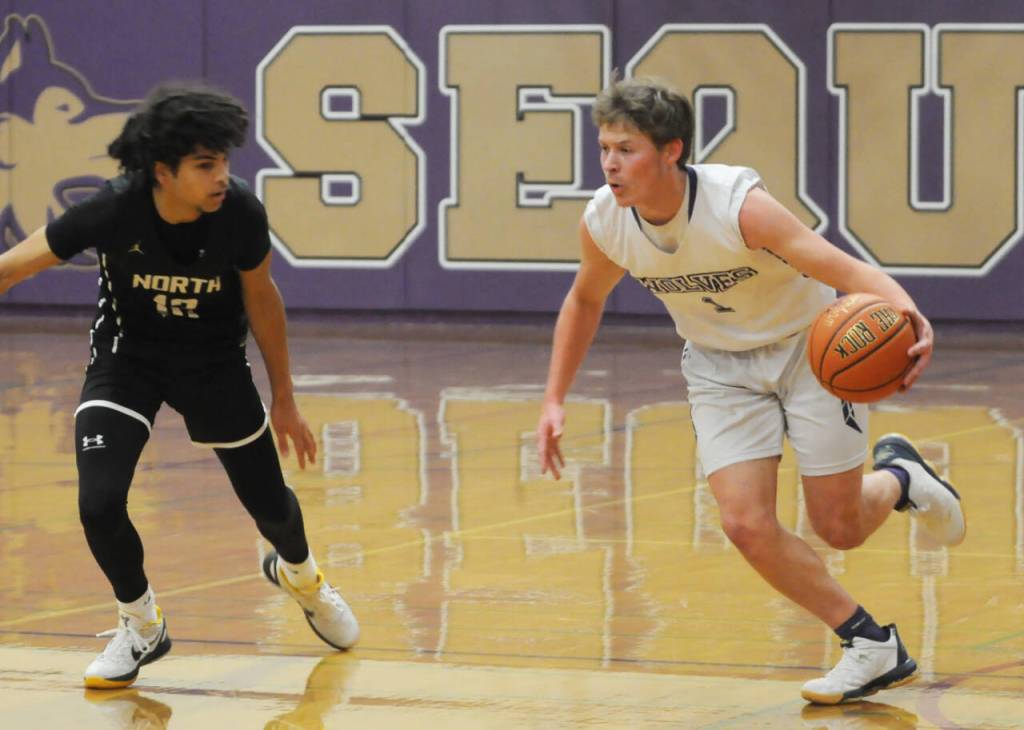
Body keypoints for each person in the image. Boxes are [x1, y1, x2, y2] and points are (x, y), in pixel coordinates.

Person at [535, 76, 966, 705]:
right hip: (718, 367)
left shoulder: (739, 206)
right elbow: (584, 300)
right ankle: (869, 643)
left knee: (839, 526)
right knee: (744, 523)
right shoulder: (606, 221)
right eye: (604, 147)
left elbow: (840, 267)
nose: (608, 163)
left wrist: (907, 311)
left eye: (625, 149)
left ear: (671, 150)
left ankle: (899, 477)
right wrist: (553, 399)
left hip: (807, 351)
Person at [0, 83, 359, 689]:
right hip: (127, 357)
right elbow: (12, 268)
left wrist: (286, 398)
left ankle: (301, 575)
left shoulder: (240, 213)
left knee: (271, 507)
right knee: (98, 503)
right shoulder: (115, 208)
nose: (221, 176)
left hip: (213, 360)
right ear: (163, 172)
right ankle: (141, 623)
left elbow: (263, 300)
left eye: (223, 162)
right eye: (204, 165)